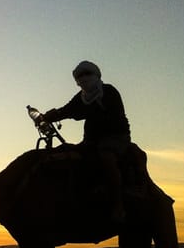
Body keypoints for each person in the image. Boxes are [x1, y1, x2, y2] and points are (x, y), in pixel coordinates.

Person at [44, 60, 131, 223]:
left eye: (87, 74)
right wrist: (53, 115)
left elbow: (96, 113)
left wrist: (76, 113)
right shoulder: (82, 97)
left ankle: (118, 205)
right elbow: (69, 109)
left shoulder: (109, 91)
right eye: (80, 76)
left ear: (96, 74)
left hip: (115, 138)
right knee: (68, 155)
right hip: (91, 140)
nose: (84, 78)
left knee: (107, 158)